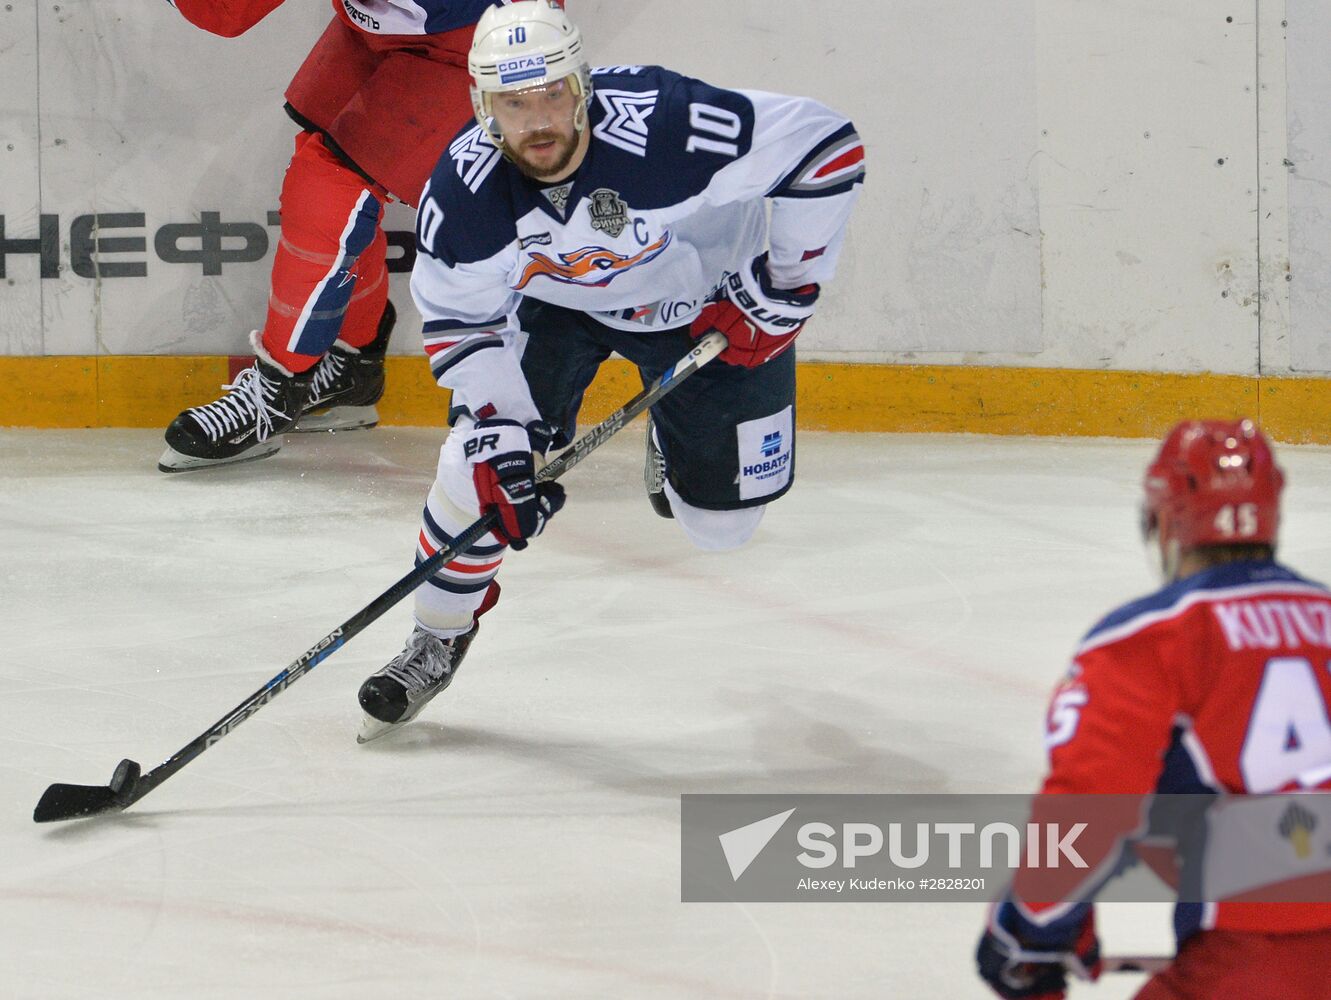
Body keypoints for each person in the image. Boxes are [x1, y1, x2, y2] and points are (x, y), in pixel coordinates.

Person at [353, 0, 865, 740]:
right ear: (483, 106)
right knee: (475, 470)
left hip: (707, 304)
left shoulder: (668, 126)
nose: (538, 121)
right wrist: (501, 437)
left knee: (722, 528)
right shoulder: (465, 195)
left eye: (552, 94)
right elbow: (464, 324)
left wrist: (781, 292)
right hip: (557, 306)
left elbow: (826, 146)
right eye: (513, 103)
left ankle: (672, 436)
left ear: (582, 85)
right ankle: (436, 635)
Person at [975, 419, 1331, 1000]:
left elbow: (1090, 804)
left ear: (1167, 523)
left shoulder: (1151, 637)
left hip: (1260, 954)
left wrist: (1028, 930)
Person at [158, 0, 565, 472]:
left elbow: (224, 12)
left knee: (329, 182)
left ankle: (279, 386)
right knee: (332, 169)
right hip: (383, 26)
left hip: (479, 41)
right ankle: (353, 365)